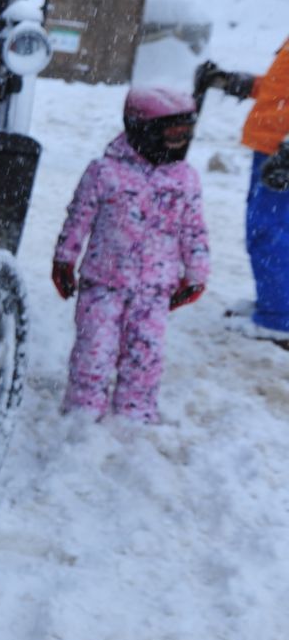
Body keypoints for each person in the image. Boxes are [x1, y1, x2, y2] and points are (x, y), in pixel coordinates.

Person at [52, 86, 210, 423]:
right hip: (102, 284)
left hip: (155, 289)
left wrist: (196, 274)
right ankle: (83, 413)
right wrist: (65, 258)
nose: (179, 141)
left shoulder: (185, 179)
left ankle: (134, 415)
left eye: (187, 133)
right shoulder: (104, 172)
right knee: (94, 350)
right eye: (172, 132)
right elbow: (79, 217)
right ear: (142, 128)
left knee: (146, 355)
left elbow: (194, 229)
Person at [198, 49, 289, 336]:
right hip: (272, 147)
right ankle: (276, 303)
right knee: (271, 231)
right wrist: (241, 84)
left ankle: (278, 319)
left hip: (281, 152)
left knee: (270, 234)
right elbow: (281, 87)